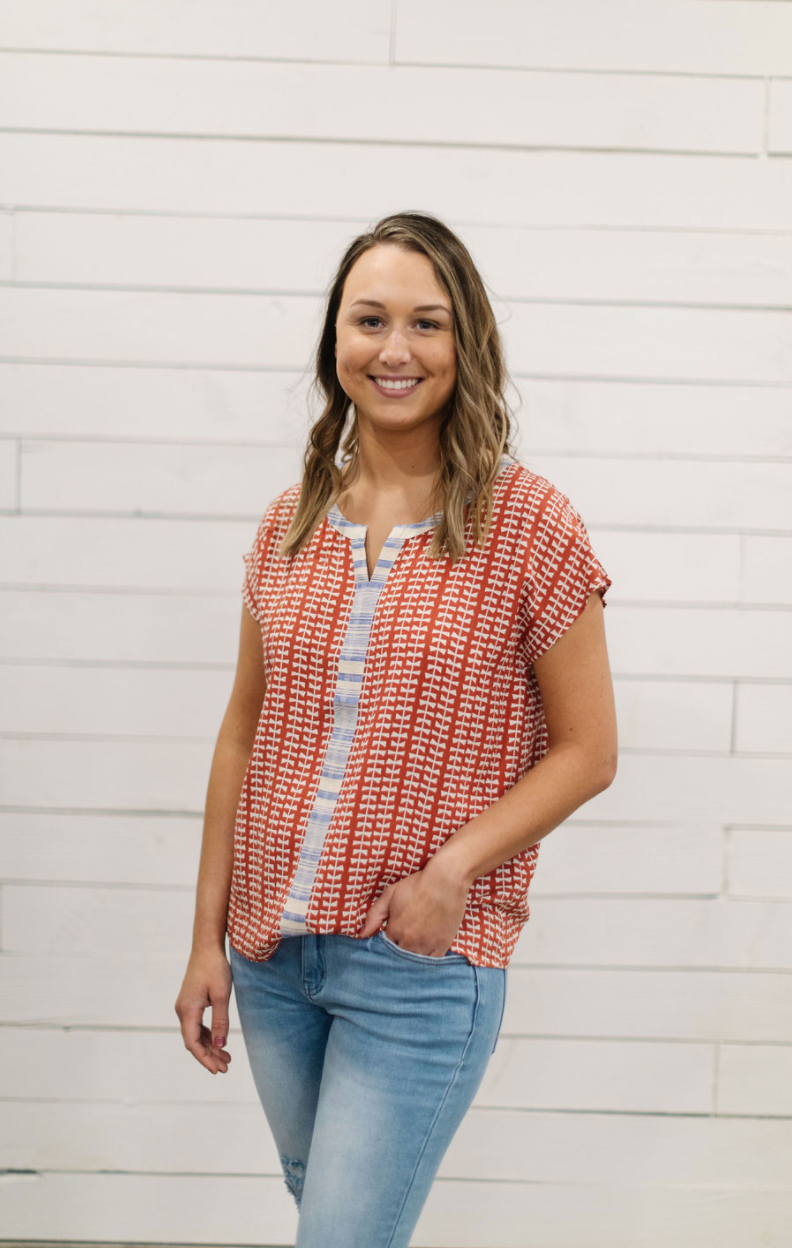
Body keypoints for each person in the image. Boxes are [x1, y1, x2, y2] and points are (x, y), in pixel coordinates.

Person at [174, 210, 618, 1247]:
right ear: (336, 340)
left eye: (428, 323)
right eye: (369, 319)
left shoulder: (527, 522)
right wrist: (205, 940)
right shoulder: (289, 523)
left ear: (467, 345)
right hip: (272, 959)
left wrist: (453, 869)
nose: (396, 349)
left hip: (419, 963)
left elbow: (590, 750)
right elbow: (243, 731)